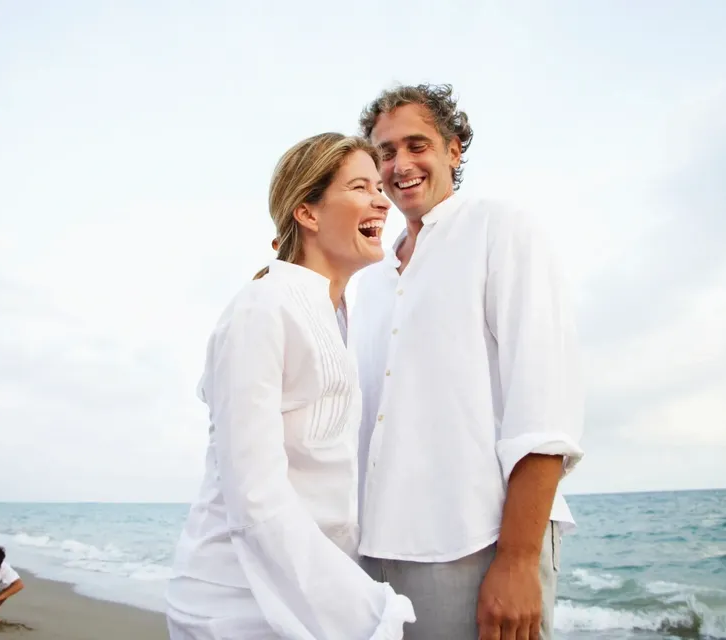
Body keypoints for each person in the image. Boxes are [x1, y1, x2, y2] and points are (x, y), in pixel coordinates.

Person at [350, 83, 585, 640]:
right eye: (386, 153)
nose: (401, 165)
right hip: (376, 554)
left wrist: (518, 560)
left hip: (479, 544)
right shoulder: (373, 279)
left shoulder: (500, 228)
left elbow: (543, 404)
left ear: (454, 150)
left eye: (417, 145)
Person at [165, 132, 416, 639]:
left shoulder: (337, 316)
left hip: (305, 600)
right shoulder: (262, 308)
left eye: (378, 187)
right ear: (308, 212)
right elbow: (254, 496)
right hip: (236, 605)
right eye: (360, 187)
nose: (381, 200)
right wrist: (366, 609)